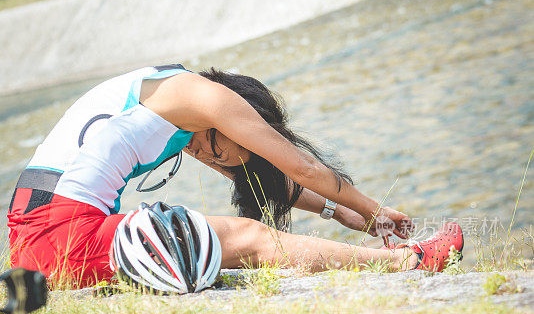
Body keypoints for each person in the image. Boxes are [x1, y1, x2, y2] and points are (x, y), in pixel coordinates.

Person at [8, 64, 463, 288]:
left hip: (36, 235)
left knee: (237, 234)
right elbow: (301, 166)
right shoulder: (199, 97)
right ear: (227, 119)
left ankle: (405, 257)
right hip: (63, 235)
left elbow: (256, 180)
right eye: (221, 146)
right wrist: (375, 209)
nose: (212, 156)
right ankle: (411, 261)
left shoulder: (176, 110)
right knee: (249, 237)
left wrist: (337, 210)